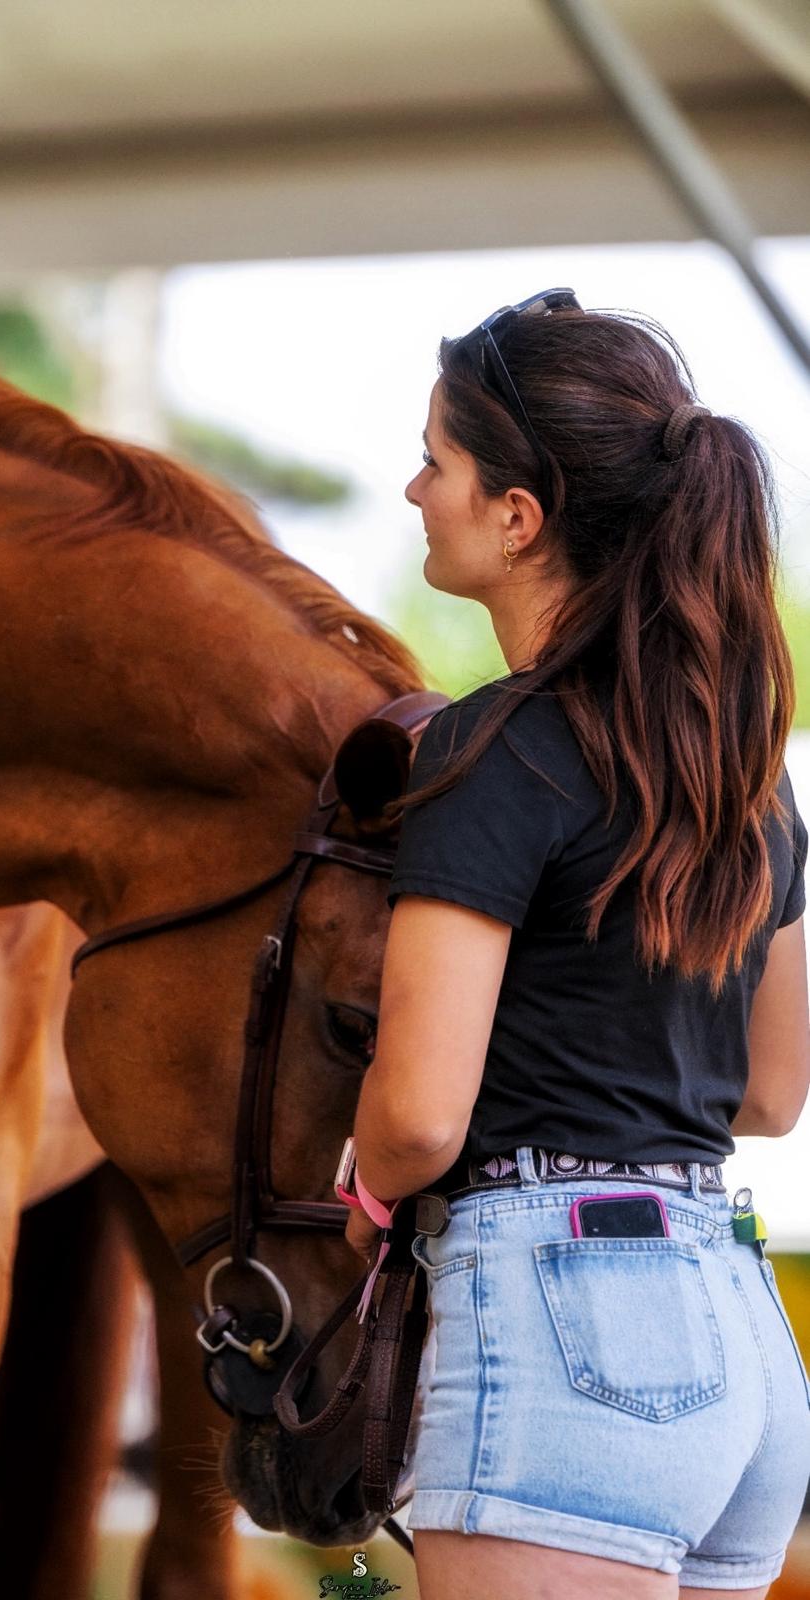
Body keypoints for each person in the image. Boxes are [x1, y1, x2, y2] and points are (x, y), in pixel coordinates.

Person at [344, 288, 810, 1599]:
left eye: (437, 457)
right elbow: (772, 1093)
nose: (412, 487)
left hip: (568, 1339)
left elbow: (423, 1116)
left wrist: (363, 1196)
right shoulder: (748, 779)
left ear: (518, 512)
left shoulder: (486, 752)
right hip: (739, 1337)